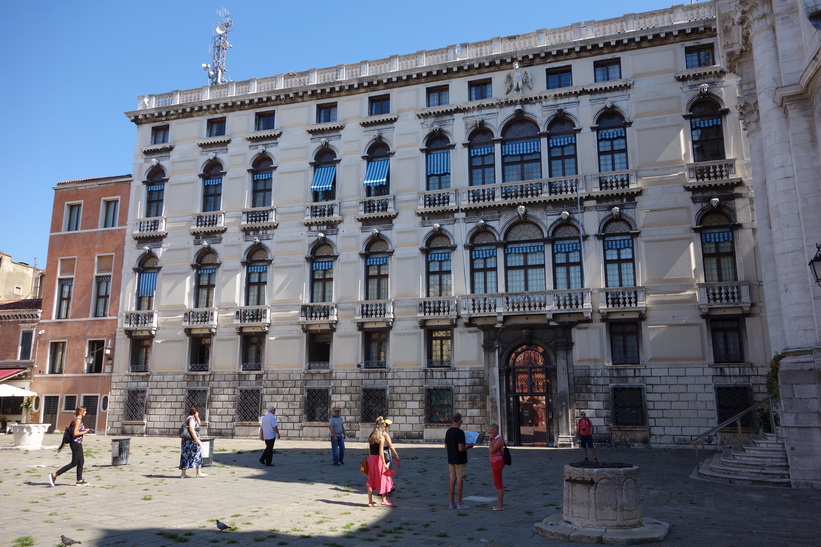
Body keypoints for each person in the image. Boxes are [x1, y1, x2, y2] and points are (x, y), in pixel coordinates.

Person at [49, 407, 91, 486]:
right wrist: (84, 432)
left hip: (77, 443)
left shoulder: (75, 419)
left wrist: (83, 430)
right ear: (81, 412)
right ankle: (54, 475)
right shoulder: (78, 420)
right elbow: (75, 433)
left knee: (81, 461)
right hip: (76, 444)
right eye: (85, 411)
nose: (86, 412)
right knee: (74, 463)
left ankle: (79, 480)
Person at [445, 412, 474, 509]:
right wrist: (469, 446)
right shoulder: (460, 432)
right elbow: (461, 448)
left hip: (451, 458)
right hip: (460, 459)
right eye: (461, 420)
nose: (462, 421)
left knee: (452, 480)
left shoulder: (448, 431)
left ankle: (451, 502)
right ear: (458, 421)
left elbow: (446, 446)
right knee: (460, 480)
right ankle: (460, 503)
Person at [365, 417, 394, 507]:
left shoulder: (371, 436)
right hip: (378, 459)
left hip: (371, 459)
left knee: (371, 479)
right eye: (384, 426)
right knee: (384, 478)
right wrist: (384, 463)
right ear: (381, 426)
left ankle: (370, 502)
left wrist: (370, 459)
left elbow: (369, 450)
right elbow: (381, 452)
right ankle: (383, 500)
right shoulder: (381, 438)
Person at [180, 406, 206, 478]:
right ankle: (198, 473)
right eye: (197, 413)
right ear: (195, 412)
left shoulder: (190, 418)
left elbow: (199, 423)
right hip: (191, 441)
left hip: (188, 441)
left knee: (186, 455)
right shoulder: (191, 419)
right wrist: (196, 439)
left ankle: (184, 474)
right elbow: (191, 429)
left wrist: (197, 417)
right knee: (197, 454)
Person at [487, 423, 505, 510]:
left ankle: (500, 504)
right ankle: (500, 503)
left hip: (498, 462)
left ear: (497, 430)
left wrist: (490, 443)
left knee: (498, 483)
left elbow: (492, 450)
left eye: (493, 430)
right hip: (494, 462)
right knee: (496, 482)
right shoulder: (493, 439)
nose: (491, 432)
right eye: (490, 430)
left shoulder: (499, 439)